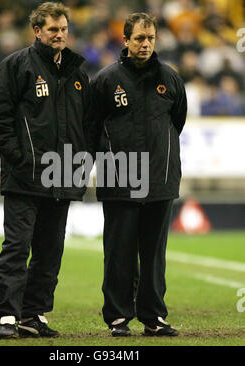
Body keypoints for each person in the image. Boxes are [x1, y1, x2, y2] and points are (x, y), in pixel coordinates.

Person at [0, 2, 91, 339]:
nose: (59, 35)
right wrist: (21, 158)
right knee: (17, 246)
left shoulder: (76, 72)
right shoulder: (16, 66)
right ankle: (8, 317)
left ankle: (33, 314)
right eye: (52, 30)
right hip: (25, 176)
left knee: (50, 249)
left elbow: (86, 123)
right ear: (37, 31)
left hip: (63, 176)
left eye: (63, 29)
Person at [90, 13, 187, 337]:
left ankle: (153, 317)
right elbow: (91, 128)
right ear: (126, 40)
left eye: (150, 39)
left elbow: (178, 121)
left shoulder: (170, 79)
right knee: (119, 253)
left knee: (154, 254)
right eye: (139, 39)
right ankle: (118, 318)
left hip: (160, 178)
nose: (145, 44)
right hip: (119, 179)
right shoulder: (105, 80)